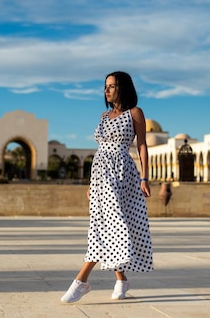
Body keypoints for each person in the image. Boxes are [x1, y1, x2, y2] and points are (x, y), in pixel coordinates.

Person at [61, 71, 154, 303]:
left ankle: (81, 281)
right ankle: (121, 279)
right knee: (104, 225)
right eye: (105, 86)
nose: (107, 90)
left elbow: (141, 145)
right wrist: (92, 183)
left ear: (123, 87)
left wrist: (145, 177)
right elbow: (100, 151)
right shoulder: (104, 115)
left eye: (112, 86)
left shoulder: (135, 113)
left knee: (112, 225)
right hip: (101, 174)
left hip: (123, 174)